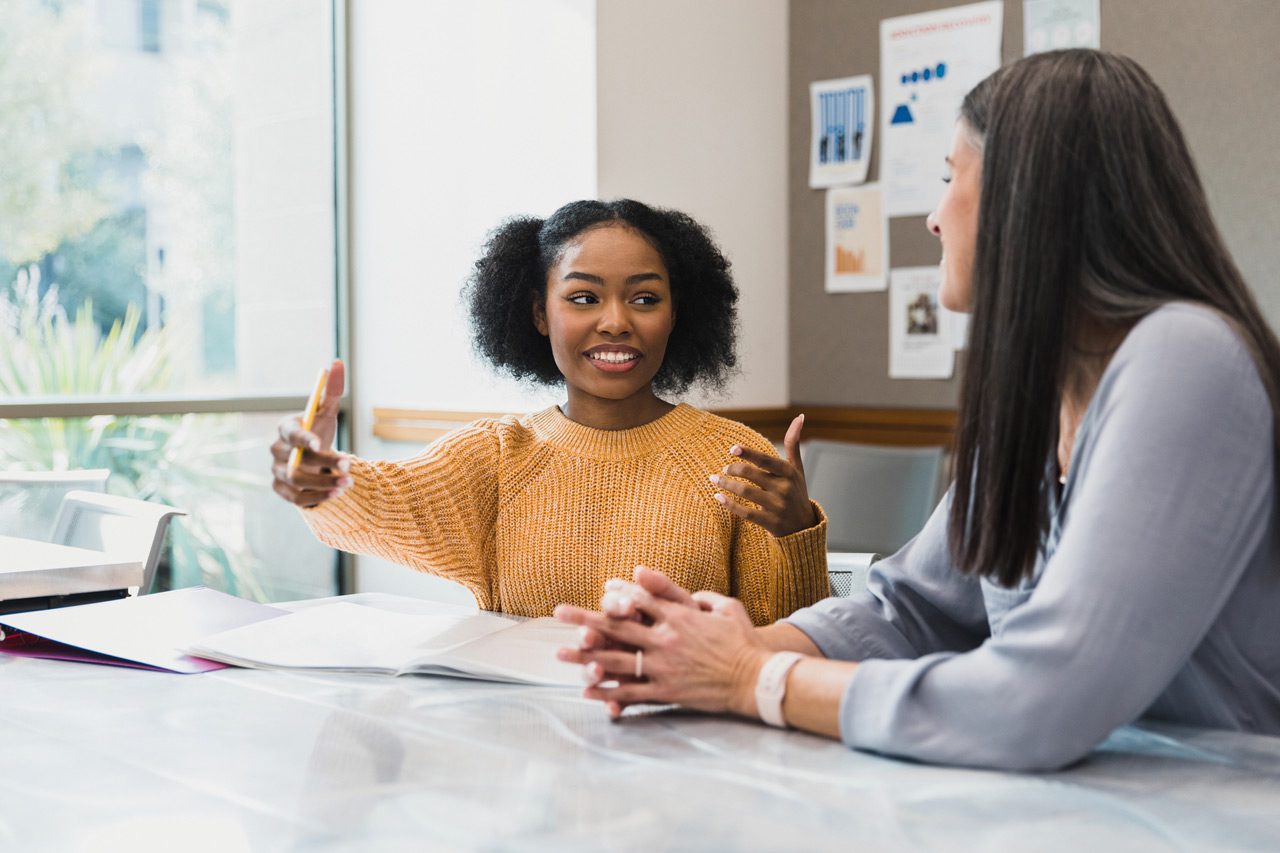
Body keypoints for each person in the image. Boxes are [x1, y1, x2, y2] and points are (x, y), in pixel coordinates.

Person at [555, 50, 1280, 771]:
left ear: (1021, 198)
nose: (934, 218)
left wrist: (752, 679)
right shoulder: (1034, 393)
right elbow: (912, 607)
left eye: (948, 176)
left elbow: (1039, 701)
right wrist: (703, 646)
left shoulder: (1188, 357)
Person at [270, 199, 829, 622]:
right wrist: (321, 479)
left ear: (678, 314)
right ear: (540, 314)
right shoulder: (497, 457)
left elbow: (789, 642)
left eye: (644, 298)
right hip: (522, 752)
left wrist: (797, 532)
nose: (615, 322)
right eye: (584, 298)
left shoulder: (734, 458)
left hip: (683, 750)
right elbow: (386, 499)